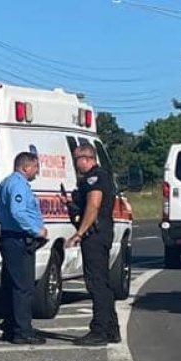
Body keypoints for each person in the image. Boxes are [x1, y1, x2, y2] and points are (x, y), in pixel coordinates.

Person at [65, 142, 119, 346]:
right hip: (101, 233)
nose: (75, 163)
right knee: (102, 282)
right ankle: (111, 328)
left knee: (96, 283)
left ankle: (99, 330)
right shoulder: (98, 177)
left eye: (76, 159)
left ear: (86, 158)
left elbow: (94, 205)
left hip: (95, 235)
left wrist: (80, 232)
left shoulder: (95, 178)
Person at [0, 152, 47, 345]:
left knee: (10, 286)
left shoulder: (6, 183)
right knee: (23, 288)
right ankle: (22, 331)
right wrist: (36, 230)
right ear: (25, 167)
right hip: (18, 239)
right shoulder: (18, 185)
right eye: (35, 168)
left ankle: (10, 327)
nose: (37, 172)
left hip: (9, 237)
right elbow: (18, 212)